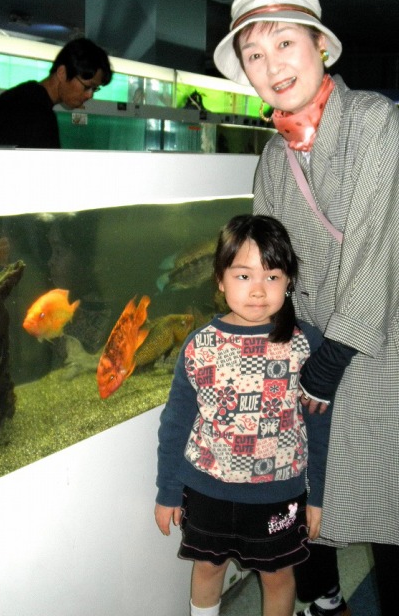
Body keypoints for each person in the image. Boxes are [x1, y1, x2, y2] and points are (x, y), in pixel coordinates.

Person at [213, 0, 399, 616]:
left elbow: (380, 247)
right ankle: (326, 604)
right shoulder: (275, 157)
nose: (272, 66)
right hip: (318, 354)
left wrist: (330, 360)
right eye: (254, 54)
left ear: (320, 46)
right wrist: (255, 340)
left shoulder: (374, 121)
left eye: (285, 43)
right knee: (308, 505)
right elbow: (272, 267)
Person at [155, 214, 333, 616]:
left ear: (289, 280)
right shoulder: (199, 345)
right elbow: (176, 424)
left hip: (279, 494)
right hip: (207, 491)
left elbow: (320, 426)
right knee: (207, 568)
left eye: (272, 276)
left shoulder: (306, 344)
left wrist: (318, 495)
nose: (258, 289)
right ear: (220, 279)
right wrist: (168, 491)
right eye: (243, 275)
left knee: (278, 576)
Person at [0, 37, 112, 148]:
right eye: (87, 87)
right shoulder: (36, 115)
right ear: (62, 73)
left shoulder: (19, 98)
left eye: (95, 89)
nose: (90, 95)